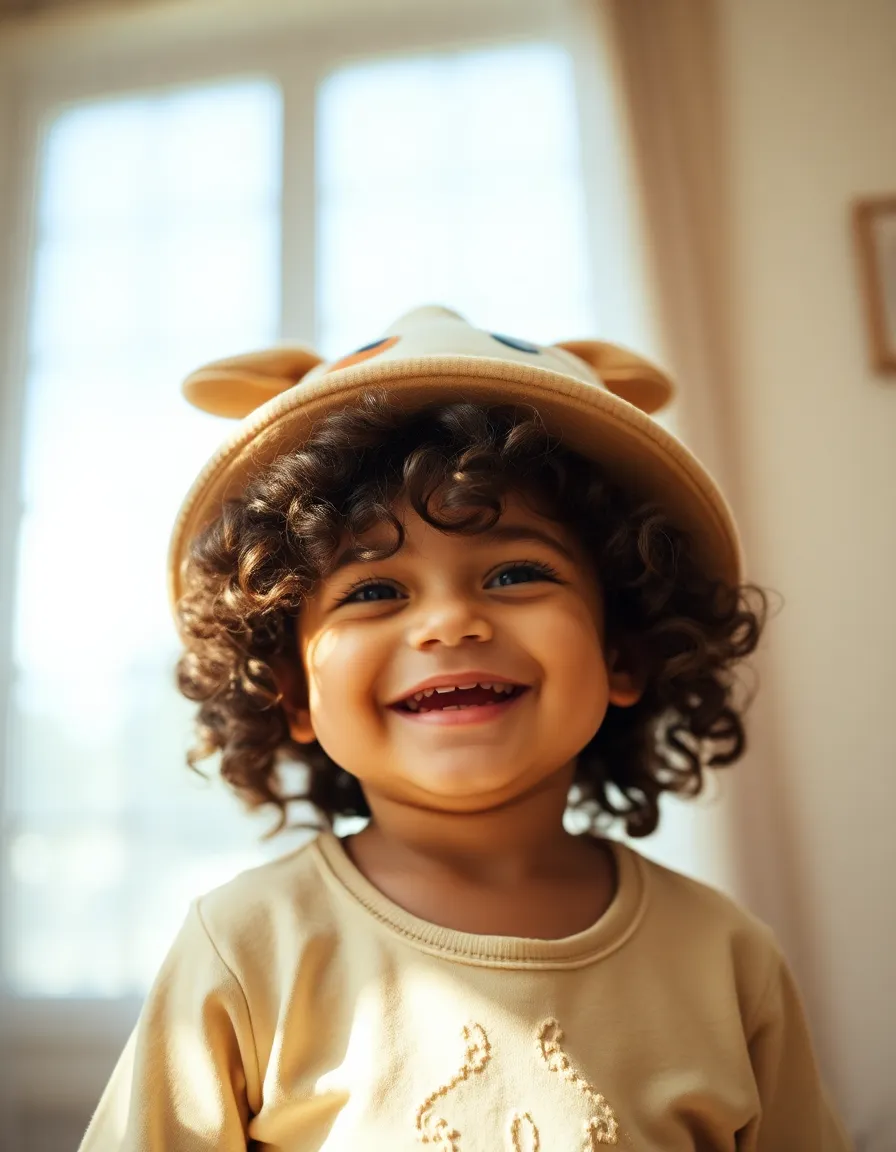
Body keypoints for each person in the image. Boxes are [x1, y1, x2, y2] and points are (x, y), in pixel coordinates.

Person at [80, 306, 852, 1150]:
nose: (449, 623)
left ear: (624, 650)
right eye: (372, 592)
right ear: (292, 693)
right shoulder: (246, 945)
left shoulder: (727, 958)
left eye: (517, 572)